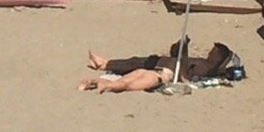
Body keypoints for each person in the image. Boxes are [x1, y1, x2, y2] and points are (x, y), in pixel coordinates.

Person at [80, 39, 241, 93]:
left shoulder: (209, 69)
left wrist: (182, 50)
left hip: (164, 74)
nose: (211, 52)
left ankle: (106, 85)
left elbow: (183, 74)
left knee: (129, 83)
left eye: (214, 52)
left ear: (219, 58)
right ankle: (99, 82)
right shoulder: (204, 62)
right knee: (135, 71)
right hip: (160, 67)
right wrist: (180, 48)